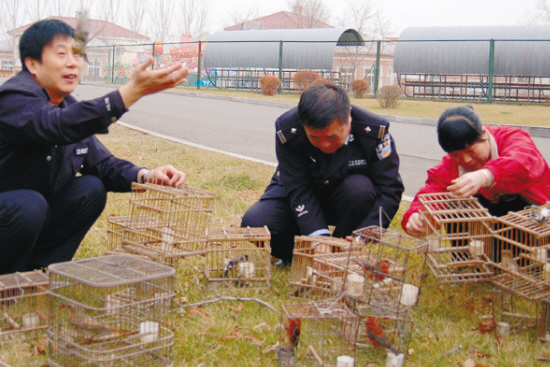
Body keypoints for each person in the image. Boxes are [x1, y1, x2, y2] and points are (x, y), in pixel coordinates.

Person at [0, 19, 190, 275]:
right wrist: (131, 91)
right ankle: (6, 280)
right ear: (32, 64)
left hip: (23, 217)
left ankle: (34, 271)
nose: (72, 63)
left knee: (90, 188)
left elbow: (102, 165)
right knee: (29, 204)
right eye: (61, 54)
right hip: (14, 210)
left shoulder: (65, 107)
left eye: (77, 55)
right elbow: (57, 126)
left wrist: (147, 175)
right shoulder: (14, 100)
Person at [241, 82, 404, 265]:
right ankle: (302, 257)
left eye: (333, 136)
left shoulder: (374, 132)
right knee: (254, 223)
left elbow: (390, 190)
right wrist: (318, 236)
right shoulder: (288, 130)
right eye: (315, 138)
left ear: (348, 119)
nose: (325, 144)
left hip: (347, 199)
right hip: (304, 197)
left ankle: (341, 252)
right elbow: (297, 186)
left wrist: (364, 236)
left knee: (359, 189)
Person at [402, 105, 550, 237]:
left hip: (535, 218)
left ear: (484, 133)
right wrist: (418, 215)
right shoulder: (450, 165)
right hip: (491, 226)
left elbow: (522, 164)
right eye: (455, 154)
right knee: (455, 202)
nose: (465, 160)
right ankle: (467, 263)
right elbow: (433, 191)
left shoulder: (512, 138)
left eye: (470, 150)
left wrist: (485, 176)